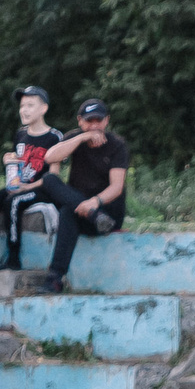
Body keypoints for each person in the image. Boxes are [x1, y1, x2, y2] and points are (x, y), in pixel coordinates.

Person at [27, 97, 127, 294]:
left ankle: (55, 276)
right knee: (50, 183)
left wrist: (95, 203)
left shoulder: (117, 145)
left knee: (68, 210)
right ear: (80, 121)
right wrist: (82, 137)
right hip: (86, 213)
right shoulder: (75, 138)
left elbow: (117, 187)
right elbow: (50, 157)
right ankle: (55, 279)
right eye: (89, 121)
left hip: (107, 213)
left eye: (98, 120)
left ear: (106, 121)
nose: (94, 125)